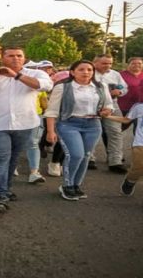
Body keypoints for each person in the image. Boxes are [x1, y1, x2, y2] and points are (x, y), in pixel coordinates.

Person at [0, 47, 53, 212]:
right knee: (0, 158)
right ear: (2, 58)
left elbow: (45, 86)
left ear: (24, 58)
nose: (15, 59)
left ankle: (5, 189)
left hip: (24, 124)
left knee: (13, 158)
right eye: (11, 56)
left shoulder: (36, 74)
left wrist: (17, 76)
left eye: (19, 56)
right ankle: (0, 195)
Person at [45, 60, 114, 201]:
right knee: (75, 154)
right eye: (81, 69)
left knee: (86, 155)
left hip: (93, 124)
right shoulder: (63, 87)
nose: (86, 72)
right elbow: (51, 111)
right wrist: (50, 131)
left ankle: (76, 185)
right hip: (69, 124)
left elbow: (109, 104)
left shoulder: (101, 86)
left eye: (89, 70)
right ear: (72, 72)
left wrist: (107, 111)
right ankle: (67, 185)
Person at [91, 54, 128, 173]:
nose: (108, 66)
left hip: (112, 104)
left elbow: (124, 87)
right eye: (104, 63)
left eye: (110, 63)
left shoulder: (115, 74)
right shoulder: (88, 72)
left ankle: (115, 161)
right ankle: (89, 159)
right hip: (91, 106)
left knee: (115, 132)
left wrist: (120, 91)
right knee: (91, 132)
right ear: (95, 62)